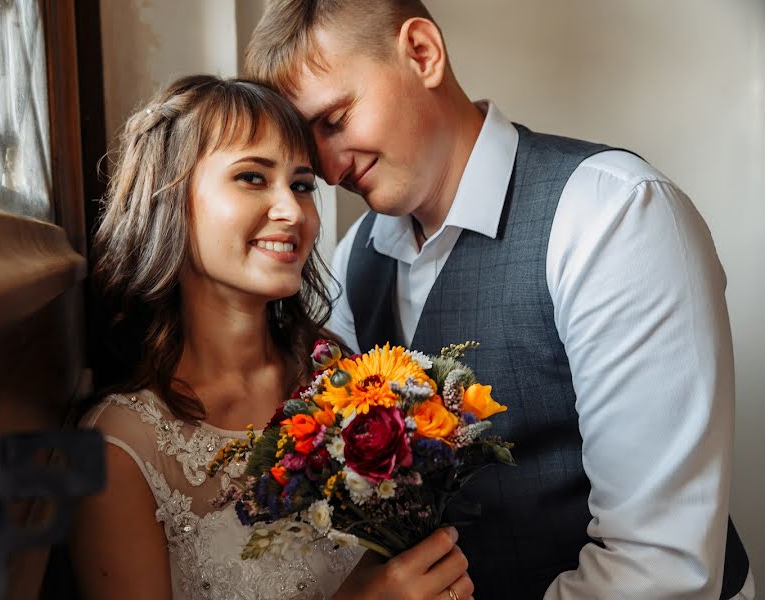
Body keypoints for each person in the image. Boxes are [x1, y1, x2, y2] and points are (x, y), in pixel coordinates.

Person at [245, 1, 755, 598]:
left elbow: (661, 569)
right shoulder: (356, 252)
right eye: (310, 142)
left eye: (334, 119)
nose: (329, 169)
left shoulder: (613, 215)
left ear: (422, 54)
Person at [69, 75, 474, 600]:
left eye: (302, 185)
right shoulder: (119, 450)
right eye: (253, 178)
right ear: (169, 199)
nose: (292, 211)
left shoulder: (344, 382)